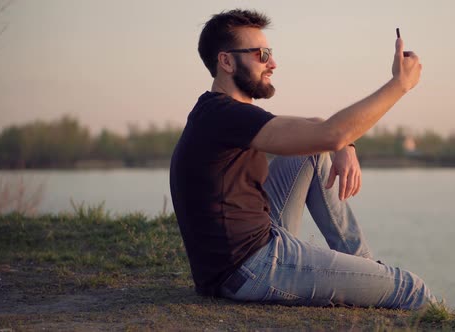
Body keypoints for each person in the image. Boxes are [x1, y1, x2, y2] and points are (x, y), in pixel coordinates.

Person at [170, 9, 436, 309]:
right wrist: (399, 85)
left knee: (312, 151)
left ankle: (363, 266)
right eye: (262, 54)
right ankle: (380, 281)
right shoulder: (225, 115)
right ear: (227, 61)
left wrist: (343, 146)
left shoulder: (219, 112)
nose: (273, 63)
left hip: (246, 249)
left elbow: (317, 130)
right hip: (248, 267)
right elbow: (330, 133)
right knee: (412, 289)